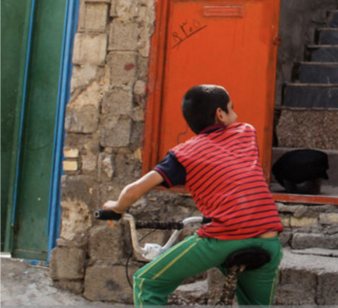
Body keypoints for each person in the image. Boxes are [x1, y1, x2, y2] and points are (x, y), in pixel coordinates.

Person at [102, 85, 284, 306]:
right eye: (231, 108)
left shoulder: (184, 154)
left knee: (147, 281)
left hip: (222, 240)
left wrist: (117, 207)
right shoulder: (246, 133)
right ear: (220, 114)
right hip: (268, 240)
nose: (235, 114)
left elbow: (133, 191)